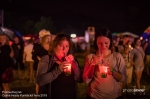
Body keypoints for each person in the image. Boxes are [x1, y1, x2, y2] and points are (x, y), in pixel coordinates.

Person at [83, 27, 126, 99]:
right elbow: (86, 80)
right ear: (96, 42)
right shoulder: (90, 57)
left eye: (106, 43)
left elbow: (124, 79)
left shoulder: (117, 57)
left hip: (114, 96)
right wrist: (93, 64)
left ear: (110, 42)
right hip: (94, 96)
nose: (103, 46)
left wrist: (112, 70)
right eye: (100, 43)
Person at [36, 33, 82, 99]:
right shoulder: (46, 59)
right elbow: (40, 81)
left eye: (67, 46)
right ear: (54, 46)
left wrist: (75, 65)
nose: (64, 49)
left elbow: (80, 79)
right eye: (61, 46)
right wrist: (58, 70)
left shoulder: (73, 60)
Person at [32, 29, 52, 94]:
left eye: (49, 38)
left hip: (49, 68)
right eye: (47, 38)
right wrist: (40, 60)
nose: (49, 40)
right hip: (39, 68)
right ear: (42, 38)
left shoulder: (52, 47)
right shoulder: (38, 46)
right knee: (39, 84)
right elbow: (33, 56)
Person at [0, 34, 14, 99]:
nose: (2, 40)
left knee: (5, 84)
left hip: (6, 68)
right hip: (1, 67)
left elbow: (3, 57)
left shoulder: (6, 47)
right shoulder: (1, 47)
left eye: (4, 38)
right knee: (2, 84)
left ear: (6, 40)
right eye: (1, 38)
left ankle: (7, 97)